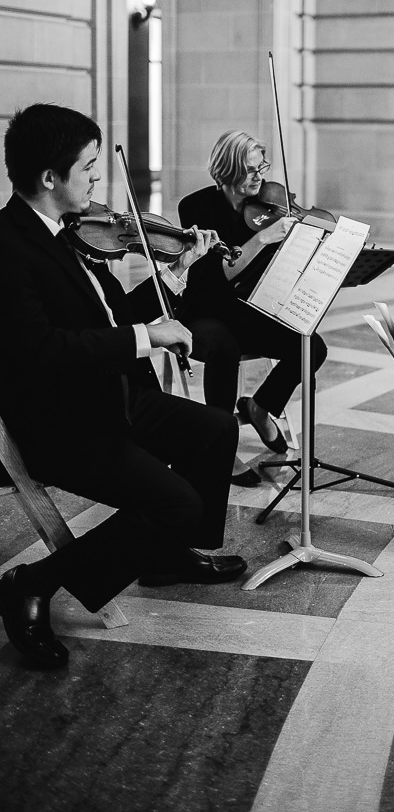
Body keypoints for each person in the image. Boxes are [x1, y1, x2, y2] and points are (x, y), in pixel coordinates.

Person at [0, 104, 248, 671]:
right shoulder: (8, 247)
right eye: (88, 166)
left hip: (111, 396)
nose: (95, 178)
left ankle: (168, 555)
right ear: (49, 178)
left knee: (216, 429)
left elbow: (113, 319)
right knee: (176, 502)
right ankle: (33, 583)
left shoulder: (67, 234)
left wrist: (175, 275)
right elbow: (42, 351)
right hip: (62, 421)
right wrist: (144, 336)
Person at [177, 131, 328, 478]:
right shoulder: (196, 207)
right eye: (250, 170)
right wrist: (260, 240)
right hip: (204, 312)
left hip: (248, 311)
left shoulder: (266, 209)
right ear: (226, 171)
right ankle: (221, 445)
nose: (259, 177)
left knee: (310, 346)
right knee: (224, 347)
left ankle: (261, 407)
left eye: (263, 167)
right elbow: (212, 279)